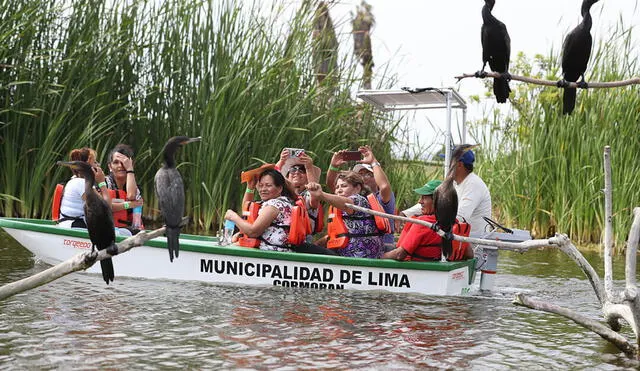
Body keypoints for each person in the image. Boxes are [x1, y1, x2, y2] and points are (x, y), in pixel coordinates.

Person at [227, 169, 335, 255]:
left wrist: (234, 217)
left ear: (279, 189)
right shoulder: (282, 201)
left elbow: (253, 232)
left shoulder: (274, 205)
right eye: (260, 185)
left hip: (274, 252)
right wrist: (250, 187)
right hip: (275, 249)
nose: (263, 189)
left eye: (268, 185)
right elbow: (248, 211)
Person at [400, 147, 492, 236]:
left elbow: (459, 217)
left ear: (459, 164)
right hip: (456, 239)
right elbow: (433, 202)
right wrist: (405, 214)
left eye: (449, 161)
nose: (446, 164)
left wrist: (426, 221)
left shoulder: (473, 184)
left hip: (474, 245)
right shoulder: (454, 184)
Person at [384, 180, 474, 261]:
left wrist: (379, 257)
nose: (420, 201)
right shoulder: (455, 223)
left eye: (424, 197)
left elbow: (399, 255)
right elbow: (469, 254)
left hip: (416, 270)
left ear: (437, 201)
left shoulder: (423, 223)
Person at [326, 145, 396, 250]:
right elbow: (332, 185)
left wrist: (373, 162)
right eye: (360, 174)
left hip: (383, 246)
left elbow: (384, 186)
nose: (362, 177)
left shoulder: (382, 196)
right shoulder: (352, 196)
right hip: (353, 245)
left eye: (368, 174)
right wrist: (333, 165)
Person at [306, 171, 388, 259]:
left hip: (359, 256)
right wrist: (316, 244)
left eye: (344, 186)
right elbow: (334, 236)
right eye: (337, 187)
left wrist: (321, 195)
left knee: (301, 247)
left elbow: (346, 203)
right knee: (307, 247)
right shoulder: (340, 208)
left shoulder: (359, 201)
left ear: (357, 188)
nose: (339, 190)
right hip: (344, 254)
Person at [276, 148, 323, 241]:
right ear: (287, 177)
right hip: (280, 239)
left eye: (302, 170)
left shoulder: (309, 196)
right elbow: (272, 178)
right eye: (293, 169)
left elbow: (314, 190)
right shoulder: (280, 194)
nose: (296, 172)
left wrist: (309, 167)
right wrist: (281, 162)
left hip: (303, 241)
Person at [57, 147, 110, 229]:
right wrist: (102, 183)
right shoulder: (80, 183)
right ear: (88, 165)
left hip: (72, 224)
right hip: (74, 226)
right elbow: (106, 207)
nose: (98, 165)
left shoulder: (75, 180)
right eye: (95, 162)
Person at [105, 144, 144, 230]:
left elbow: (131, 196)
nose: (120, 166)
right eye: (116, 162)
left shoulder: (135, 188)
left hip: (126, 231)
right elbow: (103, 207)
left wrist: (130, 169)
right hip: (105, 230)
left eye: (124, 162)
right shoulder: (103, 183)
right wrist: (129, 205)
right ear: (110, 167)